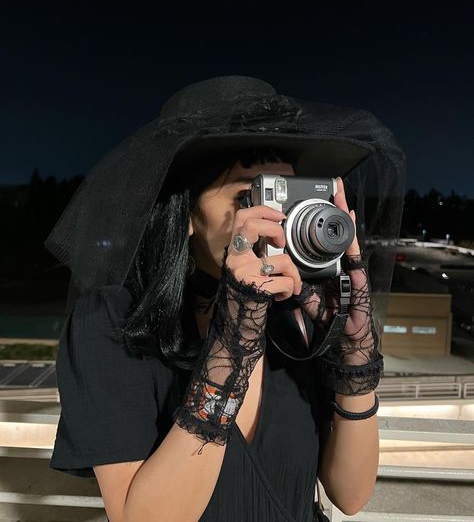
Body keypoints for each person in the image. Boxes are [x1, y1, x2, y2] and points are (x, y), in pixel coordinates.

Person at [45, 76, 405, 522]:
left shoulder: (296, 317)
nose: (278, 222)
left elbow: (350, 495)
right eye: (248, 196)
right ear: (186, 214)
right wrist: (234, 342)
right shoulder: (112, 322)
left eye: (289, 199)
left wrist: (354, 361)